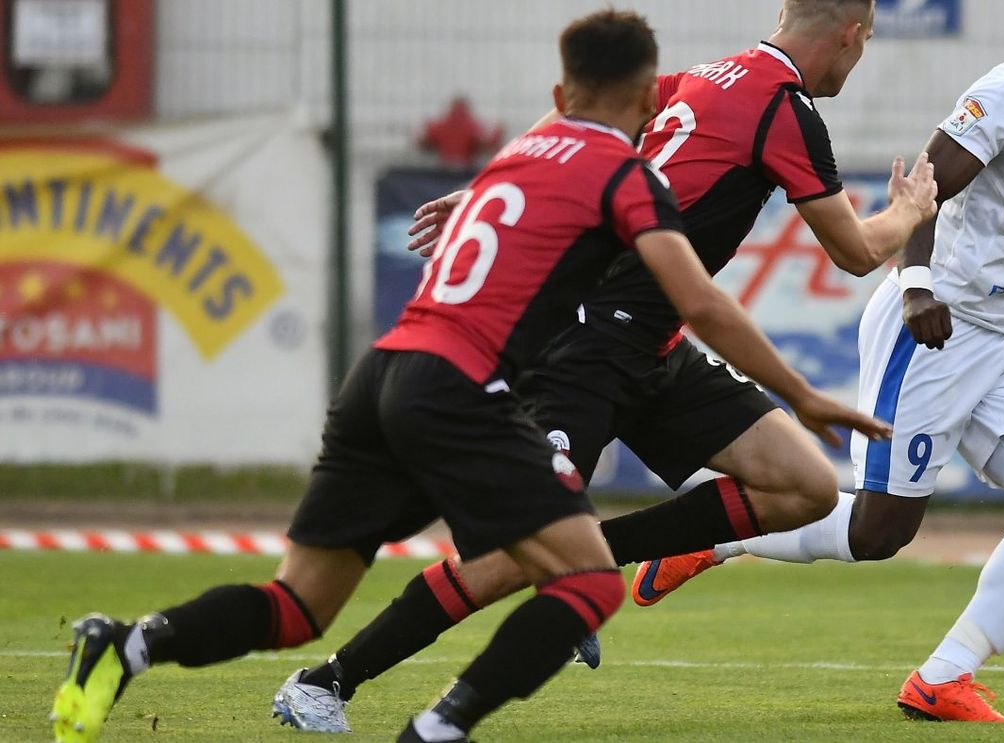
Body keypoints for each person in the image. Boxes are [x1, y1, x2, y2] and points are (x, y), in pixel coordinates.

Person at [49, 11, 888, 743]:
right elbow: (705, 297)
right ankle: (399, 708)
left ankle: (130, 642)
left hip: (394, 370)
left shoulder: (539, 154)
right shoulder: (625, 176)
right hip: (528, 367)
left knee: (300, 603)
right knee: (552, 575)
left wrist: (480, 188)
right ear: (643, 104)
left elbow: (543, 202)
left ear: (562, 97)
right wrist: (809, 388)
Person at [269, 0, 937, 733]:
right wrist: (909, 211)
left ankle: (590, 555)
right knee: (501, 563)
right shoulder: (784, 108)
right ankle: (327, 680)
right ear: (849, 32)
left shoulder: (707, 77)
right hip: (581, 345)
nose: (860, 56)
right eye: (866, 42)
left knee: (804, 485)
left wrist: (495, 184)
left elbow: (575, 127)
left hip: (653, 347)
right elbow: (856, 251)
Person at [636, 0, 1004, 724]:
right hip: (933, 326)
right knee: (879, 532)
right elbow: (925, 188)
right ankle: (715, 534)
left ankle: (943, 676)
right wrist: (917, 285)